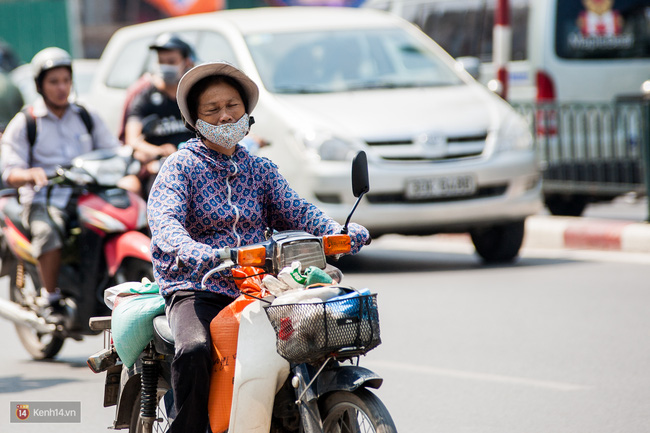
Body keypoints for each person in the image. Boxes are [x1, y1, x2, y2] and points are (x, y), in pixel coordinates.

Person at [147, 61, 370, 433]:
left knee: (316, 336)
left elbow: (296, 211)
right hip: (199, 287)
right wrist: (194, 250)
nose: (224, 117)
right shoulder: (179, 167)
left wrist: (337, 230)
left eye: (232, 106)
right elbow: (165, 222)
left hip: (260, 286)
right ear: (194, 120)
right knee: (195, 350)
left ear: (246, 112)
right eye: (211, 110)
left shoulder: (261, 169)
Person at [0, 47, 139, 321]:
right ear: (40, 86)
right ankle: (50, 298)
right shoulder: (26, 122)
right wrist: (31, 175)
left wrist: (130, 163)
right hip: (44, 200)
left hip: (89, 196)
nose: (61, 88)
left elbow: (113, 150)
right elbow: (9, 171)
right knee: (47, 233)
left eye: (66, 80)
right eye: (54, 82)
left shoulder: (86, 115)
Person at [123, 32, 196, 198]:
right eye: (161, 62)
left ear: (186, 62)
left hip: (195, 168)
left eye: (171, 62)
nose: (165, 66)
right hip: (159, 173)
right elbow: (132, 140)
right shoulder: (145, 97)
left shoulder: (192, 96)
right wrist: (159, 151)